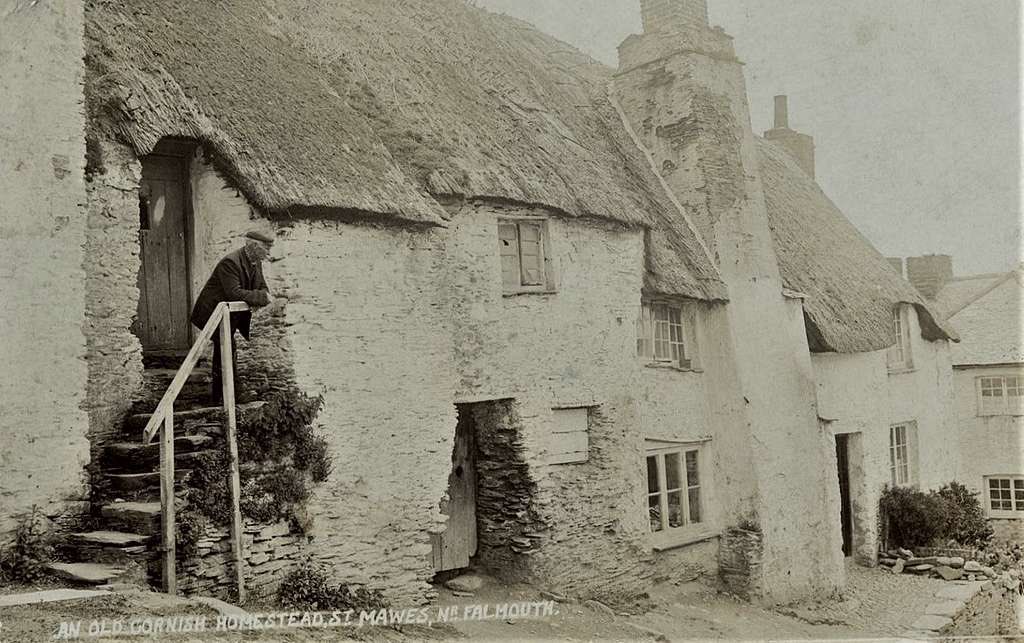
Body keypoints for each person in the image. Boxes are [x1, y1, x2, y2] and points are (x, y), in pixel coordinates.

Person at [190, 230, 274, 405]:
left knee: (225, 350)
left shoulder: (256, 263)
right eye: (266, 248)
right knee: (227, 347)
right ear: (253, 246)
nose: (269, 253)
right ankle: (232, 395)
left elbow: (263, 289)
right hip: (210, 313)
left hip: (228, 316)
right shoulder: (230, 263)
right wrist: (260, 298)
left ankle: (219, 397)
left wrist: (259, 295)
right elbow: (234, 293)